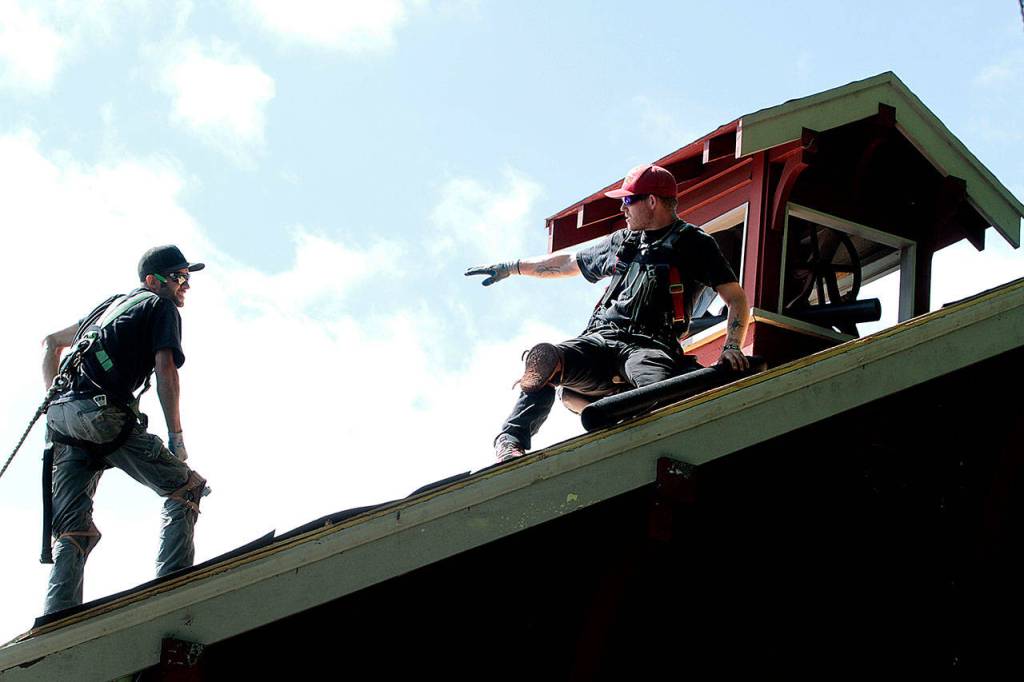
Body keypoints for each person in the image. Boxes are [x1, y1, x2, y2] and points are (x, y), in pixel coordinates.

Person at [466, 164, 751, 462]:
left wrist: (732, 346)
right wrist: (511, 267)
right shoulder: (623, 241)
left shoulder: (695, 244)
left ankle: (631, 428)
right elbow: (567, 263)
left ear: (652, 201)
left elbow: (736, 299)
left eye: (628, 200)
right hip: (601, 340)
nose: (622, 208)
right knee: (544, 358)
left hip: (651, 346)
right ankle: (510, 440)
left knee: (661, 390)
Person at [39, 245, 209, 615]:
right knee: (186, 487)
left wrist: (55, 403)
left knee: (72, 530)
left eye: (187, 277)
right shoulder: (160, 306)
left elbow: (52, 343)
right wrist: (176, 438)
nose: (185, 285)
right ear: (153, 281)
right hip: (101, 416)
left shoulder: (110, 306)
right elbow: (166, 370)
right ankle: (172, 587)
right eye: (178, 277)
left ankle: (57, 618)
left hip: (61, 421)